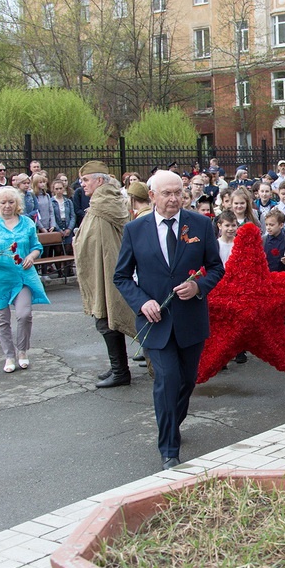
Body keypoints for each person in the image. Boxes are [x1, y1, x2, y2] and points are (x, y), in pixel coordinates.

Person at [114, 170, 224, 471]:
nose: (174, 198)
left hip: (191, 321)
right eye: (167, 193)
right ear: (152, 196)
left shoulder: (199, 224)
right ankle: (169, 448)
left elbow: (216, 268)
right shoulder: (136, 230)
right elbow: (121, 276)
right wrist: (142, 302)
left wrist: (198, 286)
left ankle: (172, 421)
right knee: (167, 380)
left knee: (187, 381)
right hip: (156, 323)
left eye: (179, 192)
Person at [0, 186, 49, 374]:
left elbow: (37, 246)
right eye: (3, 202)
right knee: (2, 319)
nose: (7, 206)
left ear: (18, 204)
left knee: (24, 314)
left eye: (11, 202)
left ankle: (22, 351)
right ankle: (9, 355)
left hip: (22, 275)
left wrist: (32, 256)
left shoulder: (28, 223)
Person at [74, 161, 137, 389]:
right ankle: (118, 366)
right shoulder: (102, 203)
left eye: (86, 180)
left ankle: (121, 371)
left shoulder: (103, 206)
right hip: (102, 269)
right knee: (106, 319)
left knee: (107, 320)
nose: (82, 185)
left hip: (107, 271)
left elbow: (106, 245)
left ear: (99, 181)